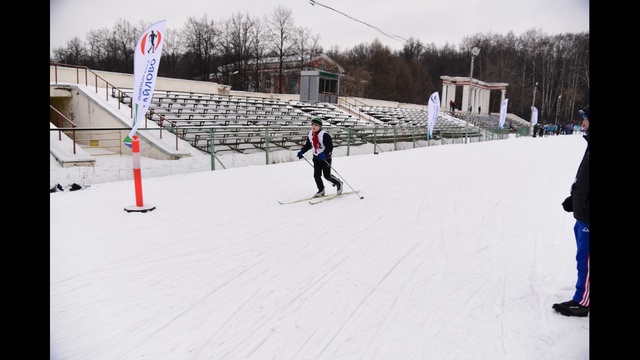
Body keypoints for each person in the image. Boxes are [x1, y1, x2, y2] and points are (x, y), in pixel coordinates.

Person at [553, 105, 590, 317]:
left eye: (585, 119)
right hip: (583, 212)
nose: (582, 123)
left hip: (588, 216)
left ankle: (582, 301)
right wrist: (574, 199)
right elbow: (584, 179)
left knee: (585, 259)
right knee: (583, 257)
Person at [297, 117, 343, 197]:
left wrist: (324, 153)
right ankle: (321, 190)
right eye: (312, 124)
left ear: (320, 126)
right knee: (316, 175)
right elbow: (308, 145)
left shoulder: (325, 135)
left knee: (327, 176)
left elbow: (330, 147)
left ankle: (338, 183)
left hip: (325, 158)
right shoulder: (310, 134)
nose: (314, 126)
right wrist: (302, 151)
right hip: (316, 158)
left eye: (316, 125)